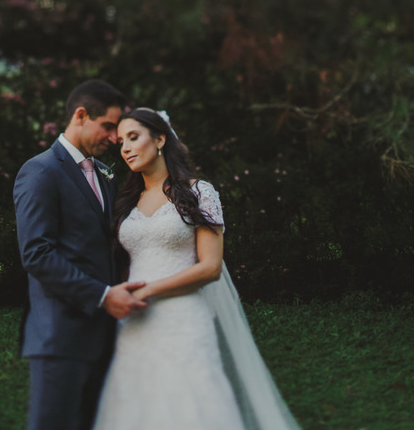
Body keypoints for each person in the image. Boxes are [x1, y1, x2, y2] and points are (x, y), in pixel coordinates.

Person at [94, 108, 301, 430]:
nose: (126, 148)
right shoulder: (126, 203)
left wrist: (148, 290)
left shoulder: (199, 193)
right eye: (121, 142)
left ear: (160, 139)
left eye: (133, 137)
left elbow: (210, 268)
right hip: (136, 324)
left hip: (183, 320)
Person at [13, 80, 149, 430]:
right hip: (61, 336)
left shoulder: (105, 176)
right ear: (81, 115)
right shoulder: (41, 171)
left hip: (105, 337)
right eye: (108, 127)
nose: (115, 138)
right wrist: (103, 296)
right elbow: (37, 254)